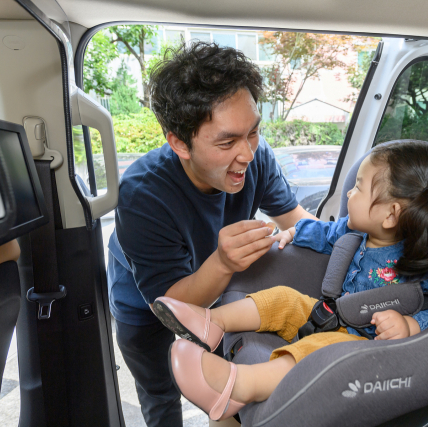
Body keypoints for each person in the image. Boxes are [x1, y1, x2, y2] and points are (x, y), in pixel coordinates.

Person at [155, 141, 428, 421]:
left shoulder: (423, 263)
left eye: (359, 189)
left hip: (364, 349)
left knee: (322, 348)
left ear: (391, 214)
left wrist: (410, 326)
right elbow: (320, 233)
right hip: (333, 315)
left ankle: (242, 386)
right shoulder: (351, 234)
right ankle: (212, 322)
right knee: (284, 299)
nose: (349, 194)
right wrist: (292, 233)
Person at [107, 41, 315, 426]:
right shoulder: (141, 194)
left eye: (252, 132)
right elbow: (173, 307)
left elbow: (298, 220)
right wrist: (222, 262)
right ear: (179, 143)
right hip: (146, 303)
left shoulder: (257, 156)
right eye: (227, 141)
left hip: (215, 291)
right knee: (160, 391)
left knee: (218, 389)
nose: (247, 154)